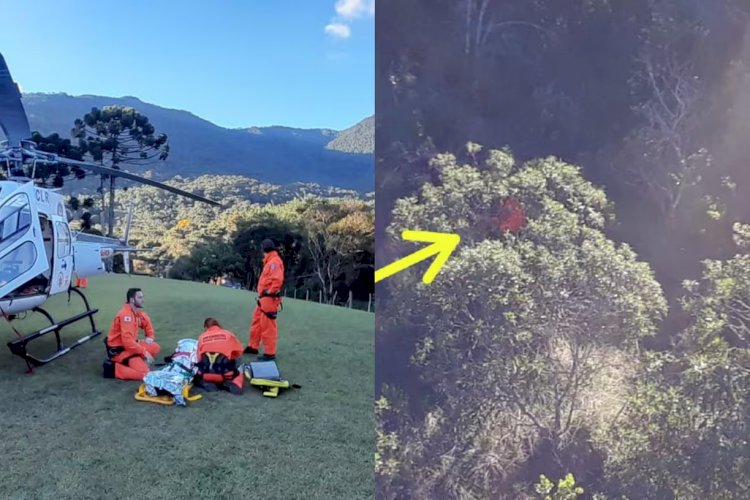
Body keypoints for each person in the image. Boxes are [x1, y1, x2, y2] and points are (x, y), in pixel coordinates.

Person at [102, 288, 161, 380]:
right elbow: (127, 342)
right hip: (121, 350)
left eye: (143, 297)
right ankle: (112, 369)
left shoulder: (135, 311)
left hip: (130, 346)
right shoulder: (126, 315)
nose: (143, 300)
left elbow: (145, 321)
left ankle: (136, 361)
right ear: (132, 300)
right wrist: (144, 352)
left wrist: (150, 335)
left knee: (155, 347)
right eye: (140, 297)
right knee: (145, 374)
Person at [245, 238, 284, 360]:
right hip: (264, 298)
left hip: (269, 298)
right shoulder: (271, 261)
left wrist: (270, 291)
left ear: (263, 250)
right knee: (257, 321)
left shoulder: (274, 262)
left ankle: (270, 353)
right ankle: (253, 346)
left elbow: (277, 280)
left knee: (268, 325)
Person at [195, 317, 245, 394]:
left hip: (205, 374)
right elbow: (239, 351)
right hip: (224, 374)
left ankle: (206, 383)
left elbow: (199, 358)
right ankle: (236, 383)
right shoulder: (228, 334)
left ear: (206, 327)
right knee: (240, 364)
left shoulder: (201, 337)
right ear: (219, 325)